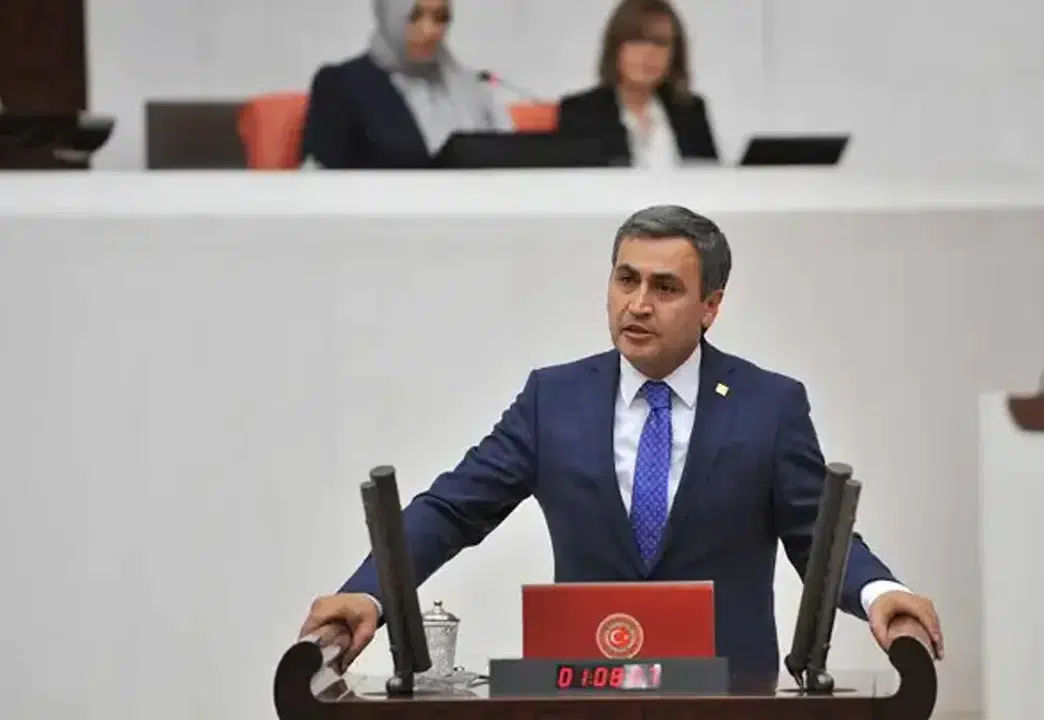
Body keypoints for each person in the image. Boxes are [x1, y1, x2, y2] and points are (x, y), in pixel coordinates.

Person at [300, 205, 944, 680]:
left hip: (728, 698)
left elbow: (818, 536)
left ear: (711, 306)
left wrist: (881, 593)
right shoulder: (553, 400)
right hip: (584, 689)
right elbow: (450, 509)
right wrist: (370, 591)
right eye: (625, 280)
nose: (637, 304)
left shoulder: (769, 406)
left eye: (665, 288)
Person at [299, 0, 512, 169]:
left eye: (440, 17)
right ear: (390, 15)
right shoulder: (342, 84)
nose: (429, 30)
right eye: (414, 16)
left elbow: (508, 160)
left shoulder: (470, 86)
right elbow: (317, 182)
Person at [556, 0, 718, 168]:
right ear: (615, 48)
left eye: (660, 43)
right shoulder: (579, 112)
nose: (649, 54)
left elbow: (712, 179)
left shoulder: (691, 112)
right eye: (637, 41)